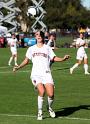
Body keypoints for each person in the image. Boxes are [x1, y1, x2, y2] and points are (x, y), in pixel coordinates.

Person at [13, 31, 70, 120]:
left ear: (43, 37)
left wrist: (63, 58)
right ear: (35, 37)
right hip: (36, 74)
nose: (38, 36)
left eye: (40, 35)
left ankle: (49, 108)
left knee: (51, 94)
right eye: (36, 35)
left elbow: (53, 58)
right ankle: (40, 112)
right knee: (42, 91)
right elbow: (26, 60)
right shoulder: (31, 48)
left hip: (46, 73)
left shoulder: (47, 48)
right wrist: (18, 67)